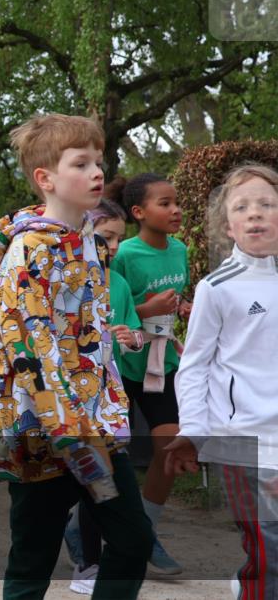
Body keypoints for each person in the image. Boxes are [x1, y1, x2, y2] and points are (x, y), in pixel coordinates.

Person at [0, 114, 153, 600]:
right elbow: (29, 350)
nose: (97, 172)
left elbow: (89, 337)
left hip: (93, 425)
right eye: (81, 163)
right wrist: (71, 434)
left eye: (98, 161)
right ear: (46, 178)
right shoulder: (29, 252)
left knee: (132, 538)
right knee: (32, 559)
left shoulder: (92, 245)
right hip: (46, 433)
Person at [166, 163, 278, 600]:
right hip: (241, 440)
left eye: (267, 205)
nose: (255, 214)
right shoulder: (218, 287)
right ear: (227, 226)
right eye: (243, 207)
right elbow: (194, 365)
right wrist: (194, 430)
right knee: (269, 553)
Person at [108, 172, 192, 574]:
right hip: (123, 365)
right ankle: (82, 528)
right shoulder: (123, 254)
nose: (175, 210)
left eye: (176, 202)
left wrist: (184, 307)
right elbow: (112, 312)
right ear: (139, 212)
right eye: (165, 203)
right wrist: (147, 309)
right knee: (110, 455)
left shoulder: (180, 250)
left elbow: (175, 298)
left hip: (162, 364)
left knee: (170, 448)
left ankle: (148, 534)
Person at [63, 198, 146, 594]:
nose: (113, 246)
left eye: (118, 239)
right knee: (79, 486)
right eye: (106, 236)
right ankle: (84, 560)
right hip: (70, 405)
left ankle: (93, 565)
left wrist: (131, 339)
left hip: (109, 403)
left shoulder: (120, 283)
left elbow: (132, 334)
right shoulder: (65, 274)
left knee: (102, 484)